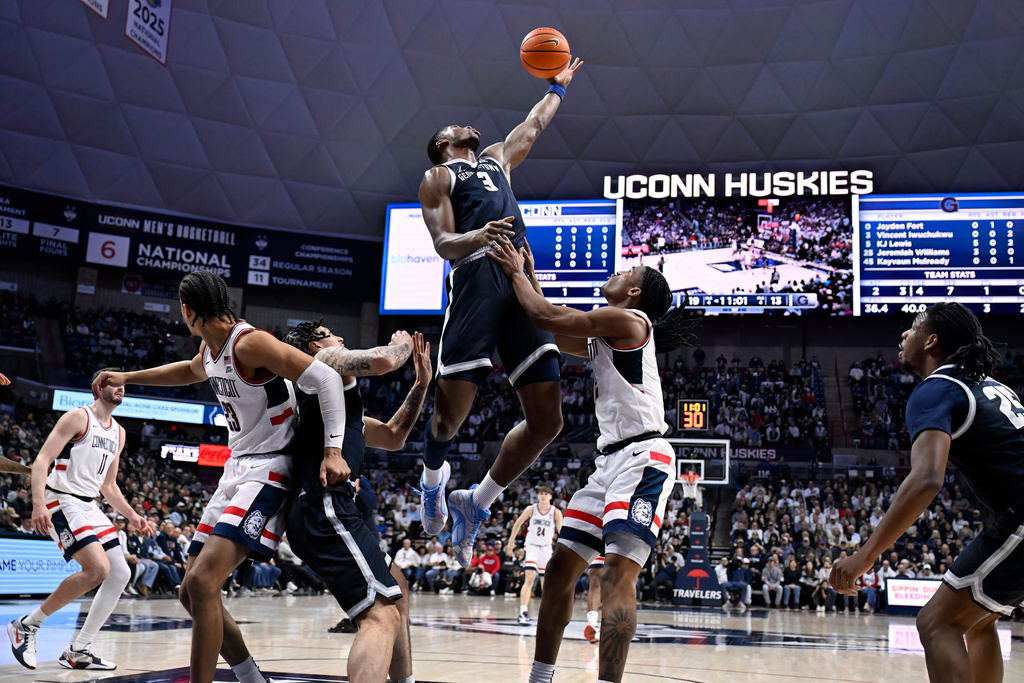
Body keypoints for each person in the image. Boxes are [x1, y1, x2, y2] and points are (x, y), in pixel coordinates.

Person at [91, 270, 350, 683]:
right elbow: (189, 371)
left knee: (203, 579)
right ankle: (251, 678)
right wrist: (128, 377)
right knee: (189, 591)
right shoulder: (210, 349)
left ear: (187, 309)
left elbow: (327, 377)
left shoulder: (251, 342)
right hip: (237, 466)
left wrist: (332, 449)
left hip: (270, 466)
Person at [488, 236, 699, 683]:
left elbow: (546, 315)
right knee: (561, 567)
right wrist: (530, 273)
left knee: (618, 572)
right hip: (608, 464)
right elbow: (551, 327)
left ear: (635, 292)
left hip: (645, 456)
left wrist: (516, 273)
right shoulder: (608, 331)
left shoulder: (628, 319)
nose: (616, 273)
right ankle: (539, 677)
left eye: (625, 273)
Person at [415, 58, 584, 566]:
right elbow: (443, 241)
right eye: (457, 126)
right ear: (444, 141)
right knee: (450, 417)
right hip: (474, 276)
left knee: (548, 420)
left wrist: (557, 86)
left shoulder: (494, 158)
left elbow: (532, 126)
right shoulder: (437, 176)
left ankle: (476, 501)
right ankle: (433, 480)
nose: (469, 124)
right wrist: (478, 235)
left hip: (518, 276)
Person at [831, 302, 1024, 683]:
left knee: (936, 623)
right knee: (978, 620)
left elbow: (926, 479)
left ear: (932, 341)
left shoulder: (936, 388)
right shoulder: (991, 385)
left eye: (914, 327)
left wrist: (866, 556)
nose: (904, 334)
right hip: (1013, 516)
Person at [276, 320, 430, 683]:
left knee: (398, 586)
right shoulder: (323, 363)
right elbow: (383, 361)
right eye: (330, 333)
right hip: (324, 504)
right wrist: (402, 343)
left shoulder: (338, 407)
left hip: (325, 508)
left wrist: (421, 385)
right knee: (381, 616)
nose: (340, 338)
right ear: (315, 346)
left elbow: (394, 437)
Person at [7, 368, 152, 670]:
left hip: (90, 505)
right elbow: (42, 460)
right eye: (115, 382)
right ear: (99, 387)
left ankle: (80, 649)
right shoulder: (78, 417)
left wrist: (133, 515)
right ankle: (27, 625)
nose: (121, 387)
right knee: (97, 569)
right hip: (61, 499)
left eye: (124, 383)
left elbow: (108, 486)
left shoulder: (119, 432)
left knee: (120, 574)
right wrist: (37, 503)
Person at [506, 485, 563, 625]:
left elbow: (561, 532)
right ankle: (523, 612)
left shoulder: (556, 512)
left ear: (550, 496)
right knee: (529, 578)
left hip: (546, 548)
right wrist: (510, 542)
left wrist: (562, 551)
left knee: (546, 583)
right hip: (531, 547)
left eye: (546, 494)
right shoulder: (531, 509)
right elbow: (517, 523)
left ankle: (547, 613)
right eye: (541, 493)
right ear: (538, 496)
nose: (543, 496)